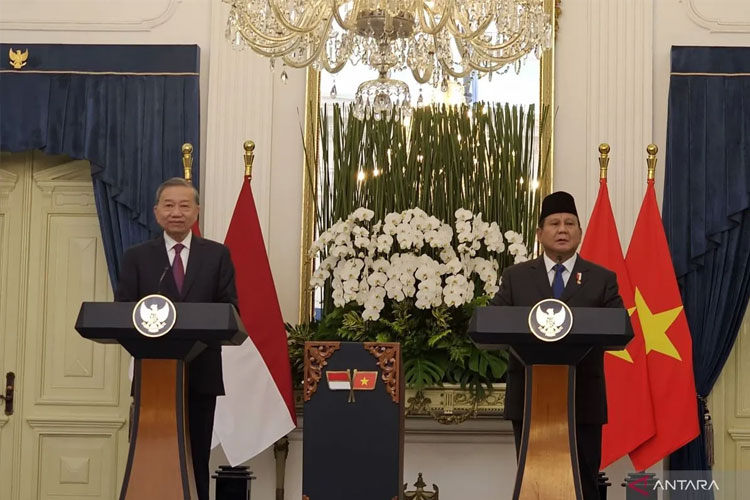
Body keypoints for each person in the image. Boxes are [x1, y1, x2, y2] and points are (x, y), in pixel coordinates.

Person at [490, 191, 623, 500]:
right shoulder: (516, 277)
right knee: (532, 481)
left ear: (579, 232)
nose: (562, 229)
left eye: (569, 223)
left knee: (584, 483)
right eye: (554, 223)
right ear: (539, 234)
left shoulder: (602, 279)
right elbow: (492, 321)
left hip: (583, 402)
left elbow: (619, 325)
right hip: (529, 399)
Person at [115, 177, 238, 500]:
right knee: (151, 452)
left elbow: (230, 309)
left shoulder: (217, 256)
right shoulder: (137, 257)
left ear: (196, 212)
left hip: (201, 373)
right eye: (168, 205)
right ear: (156, 213)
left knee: (196, 457)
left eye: (184, 206)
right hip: (154, 375)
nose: (176, 212)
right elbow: (122, 311)